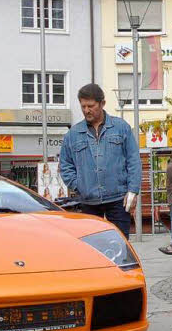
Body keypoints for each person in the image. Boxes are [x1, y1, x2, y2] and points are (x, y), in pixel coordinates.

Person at [58, 83, 141, 239]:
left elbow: (133, 161)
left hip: (118, 199)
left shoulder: (121, 128)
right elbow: (65, 165)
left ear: (102, 103)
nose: (86, 110)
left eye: (91, 106)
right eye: (83, 106)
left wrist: (133, 191)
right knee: (93, 247)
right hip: (88, 201)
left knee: (120, 245)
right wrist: (79, 185)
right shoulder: (73, 134)